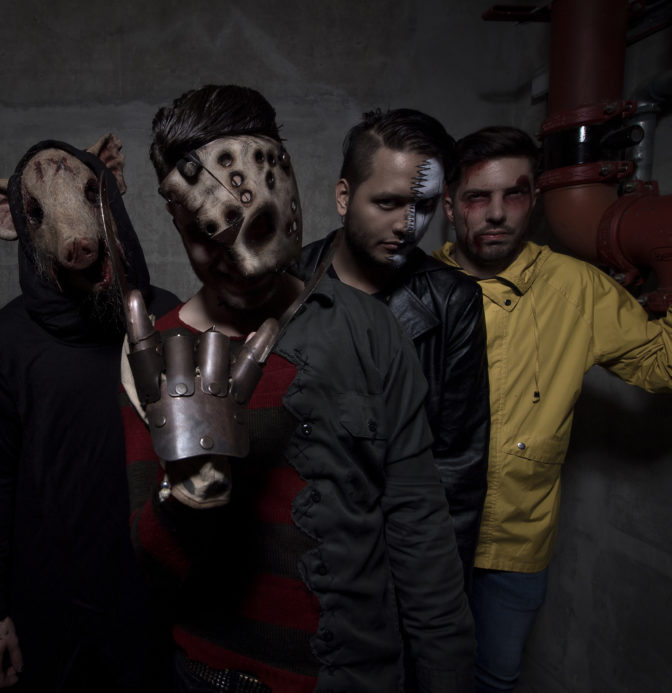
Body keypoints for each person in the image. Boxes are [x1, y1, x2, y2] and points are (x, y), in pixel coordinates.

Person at [122, 84, 474, 693]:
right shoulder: (156, 357)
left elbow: (420, 529)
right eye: (210, 234)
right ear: (180, 222)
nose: (243, 264)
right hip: (211, 679)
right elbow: (146, 574)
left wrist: (447, 678)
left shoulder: (370, 331)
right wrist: (182, 503)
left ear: (287, 189)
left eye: (257, 226)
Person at [433, 125, 672, 692]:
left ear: (535, 199)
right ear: (449, 206)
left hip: (517, 547)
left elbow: (661, 364)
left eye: (513, 194)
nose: (497, 213)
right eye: (477, 197)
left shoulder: (575, 288)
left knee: (495, 678)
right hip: (426, 544)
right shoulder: (418, 289)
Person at [0, 138, 179, 691]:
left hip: (152, 594)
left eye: (88, 195)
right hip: (47, 599)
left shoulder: (169, 318)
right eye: (37, 213)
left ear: (112, 192)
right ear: (8, 220)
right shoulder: (6, 340)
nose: (76, 239)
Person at [299, 108, 489, 591]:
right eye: (387, 202)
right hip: (295, 549)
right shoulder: (287, 283)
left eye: (424, 206)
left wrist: (437, 595)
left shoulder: (453, 302)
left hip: (393, 564)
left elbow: (458, 468)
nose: (407, 224)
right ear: (344, 196)